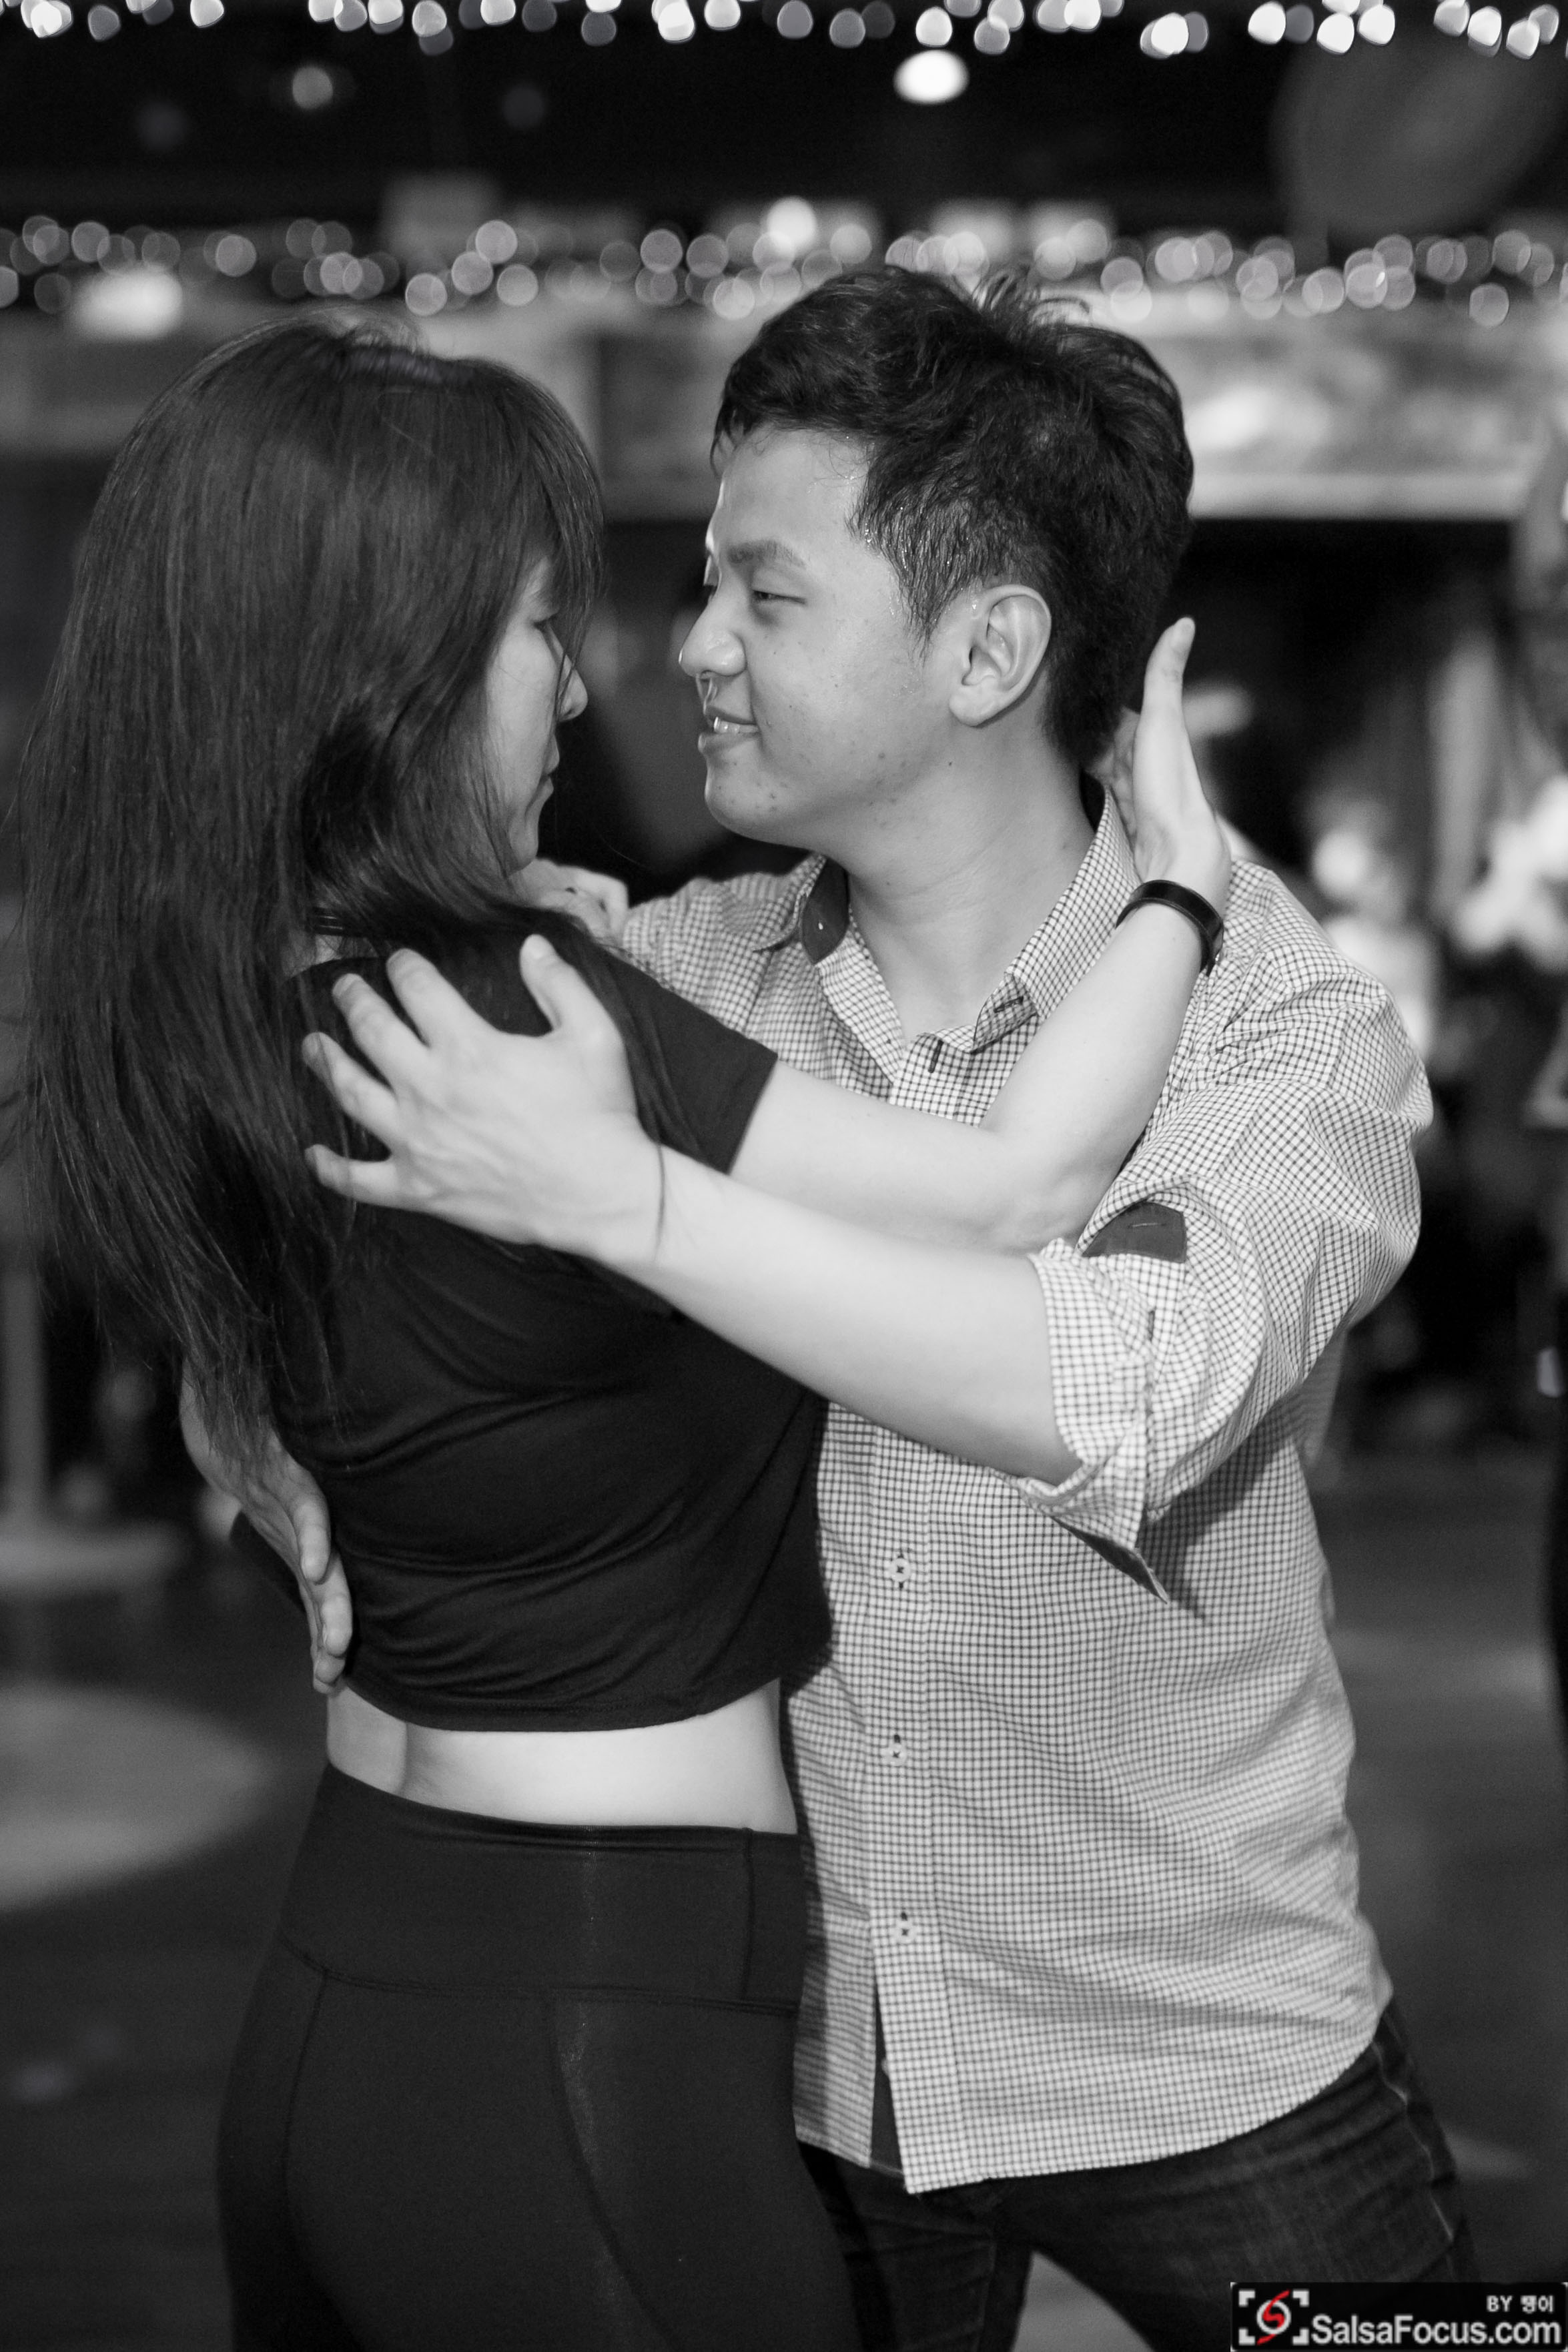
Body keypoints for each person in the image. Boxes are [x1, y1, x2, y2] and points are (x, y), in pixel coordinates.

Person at [278, 268, 1465, 2349]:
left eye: (768, 594)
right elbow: (296, 1199)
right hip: (810, 2059)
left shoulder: (1277, 1023)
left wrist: (630, 1204)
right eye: (701, 586)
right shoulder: (657, 976)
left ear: (991, 650)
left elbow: (1134, 1388)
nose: (690, 648)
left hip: (1205, 2056)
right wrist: (291, 1476)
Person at [22, 316, 1231, 2352]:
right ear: (389, 670)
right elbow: (1020, 1185)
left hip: (339, 1998)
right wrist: (1183, 884)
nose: (585, 683)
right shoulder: (529, 1016)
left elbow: (280, 1377)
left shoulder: (230, 1006)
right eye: (530, 629)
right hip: (584, 2044)